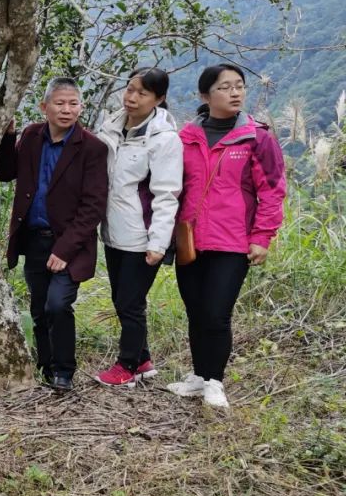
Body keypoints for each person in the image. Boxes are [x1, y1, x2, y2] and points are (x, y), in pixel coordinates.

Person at [167, 64, 286, 409]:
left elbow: (273, 190)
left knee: (217, 313)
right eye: (225, 87)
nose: (235, 93)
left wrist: (262, 236)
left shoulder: (257, 137)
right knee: (195, 311)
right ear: (205, 96)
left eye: (239, 86)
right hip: (190, 239)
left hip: (232, 242)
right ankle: (198, 377)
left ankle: (215, 381)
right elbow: (172, 189)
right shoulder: (186, 138)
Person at [0, 77, 108, 393]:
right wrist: (7, 136)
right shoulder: (32, 136)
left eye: (73, 103)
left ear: (81, 107)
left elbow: (93, 206)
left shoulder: (92, 148)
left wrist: (65, 249)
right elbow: (5, 173)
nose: (67, 109)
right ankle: (46, 369)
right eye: (60, 103)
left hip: (69, 244)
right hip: (33, 239)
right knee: (39, 307)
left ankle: (63, 372)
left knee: (58, 304)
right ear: (44, 107)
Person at [93, 68, 182, 387]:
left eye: (142, 93)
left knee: (130, 303)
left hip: (143, 236)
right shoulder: (112, 127)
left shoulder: (164, 140)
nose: (131, 97)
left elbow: (167, 194)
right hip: (114, 232)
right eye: (129, 89)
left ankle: (127, 365)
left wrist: (158, 243)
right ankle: (143, 359)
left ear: (159, 99)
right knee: (123, 299)